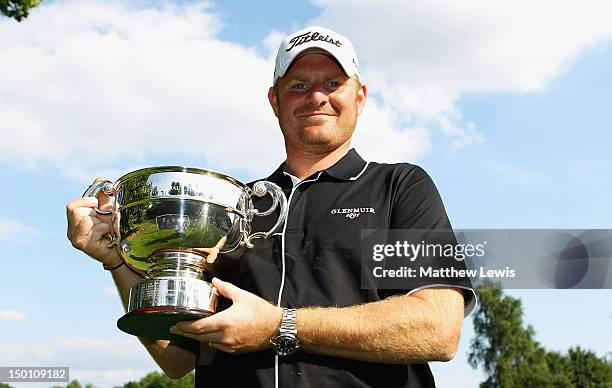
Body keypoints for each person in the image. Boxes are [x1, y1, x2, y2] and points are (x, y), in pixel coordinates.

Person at [66, 26, 476, 388]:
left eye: (333, 82)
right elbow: (176, 359)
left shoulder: (400, 186)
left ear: (360, 96)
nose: (316, 97)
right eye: (298, 85)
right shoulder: (234, 208)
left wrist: (280, 327)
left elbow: (437, 328)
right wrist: (117, 262)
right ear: (274, 100)